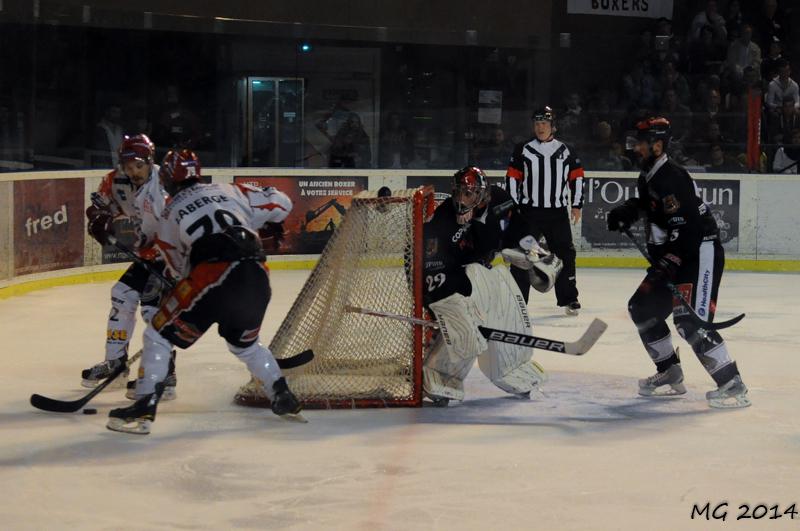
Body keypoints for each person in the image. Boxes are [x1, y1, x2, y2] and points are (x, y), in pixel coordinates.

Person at [106, 150, 302, 434]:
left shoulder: (170, 211)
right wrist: (269, 222)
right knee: (245, 344)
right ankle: (282, 395)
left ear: (168, 180)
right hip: (257, 275)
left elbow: (178, 268)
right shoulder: (231, 189)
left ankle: (144, 406)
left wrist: (178, 290)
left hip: (211, 275)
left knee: (158, 333)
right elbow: (281, 203)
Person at [606, 117, 750, 409]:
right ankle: (669, 371)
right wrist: (629, 209)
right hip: (676, 256)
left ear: (658, 146)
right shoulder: (650, 175)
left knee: (689, 322)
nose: (636, 148)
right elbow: (652, 206)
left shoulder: (673, 178)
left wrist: (669, 261)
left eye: (641, 144)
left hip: (699, 253)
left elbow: (690, 230)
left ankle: (732, 384)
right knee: (642, 307)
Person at [421, 166, 555, 406]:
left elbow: (520, 229)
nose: (462, 200)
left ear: (483, 194)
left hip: (485, 270)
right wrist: (446, 305)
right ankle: (441, 373)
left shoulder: (500, 200)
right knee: (468, 330)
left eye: (469, 194)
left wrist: (537, 253)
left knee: (506, 298)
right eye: (459, 193)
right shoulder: (443, 220)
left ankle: (513, 364)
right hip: (454, 277)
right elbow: (429, 269)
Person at [82, 134, 178, 400]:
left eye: (138, 165)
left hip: (171, 255)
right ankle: (116, 365)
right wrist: (98, 217)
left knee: (153, 310)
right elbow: (104, 205)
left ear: (150, 161)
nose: (133, 171)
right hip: (147, 254)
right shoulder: (116, 180)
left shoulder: (165, 185)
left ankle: (165, 375)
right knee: (121, 295)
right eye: (128, 165)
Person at [505, 106, 584, 315]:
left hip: (557, 213)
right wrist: (514, 206)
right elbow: (512, 178)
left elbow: (576, 178)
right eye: (537, 124)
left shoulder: (566, 150)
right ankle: (517, 300)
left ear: (553, 127)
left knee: (565, 255)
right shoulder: (523, 149)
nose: (540, 128)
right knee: (522, 256)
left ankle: (569, 299)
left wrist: (576, 205)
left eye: (544, 124)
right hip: (529, 213)